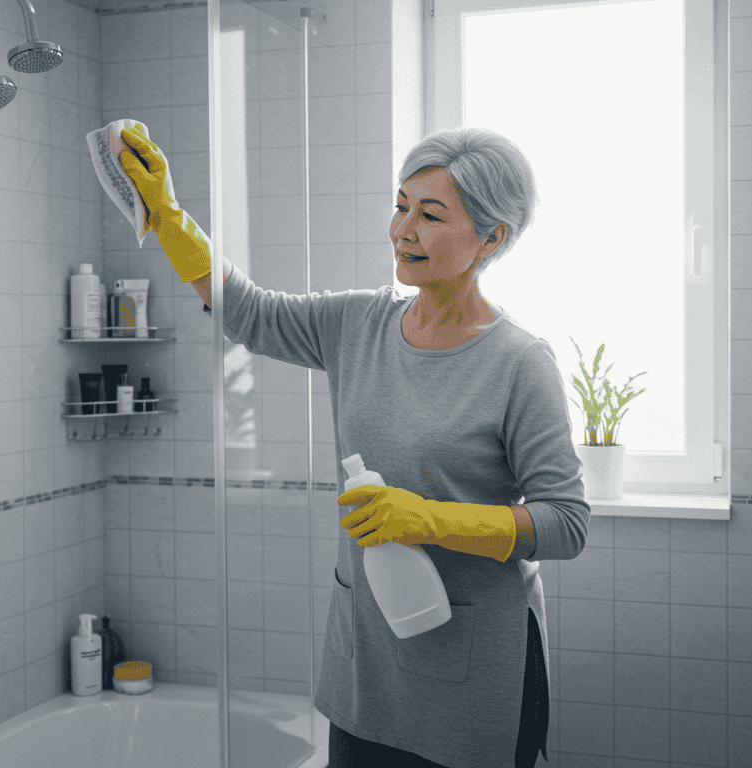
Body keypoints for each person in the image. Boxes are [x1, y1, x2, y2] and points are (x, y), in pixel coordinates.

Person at [118, 124, 589, 768]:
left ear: (490, 237)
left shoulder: (519, 362)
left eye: (430, 214)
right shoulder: (358, 323)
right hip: (367, 659)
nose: (403, 229)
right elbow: (249, 311)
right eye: (400, 206)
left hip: (474, 665)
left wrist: (425, 519)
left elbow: (565, 524)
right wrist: (167, 214)